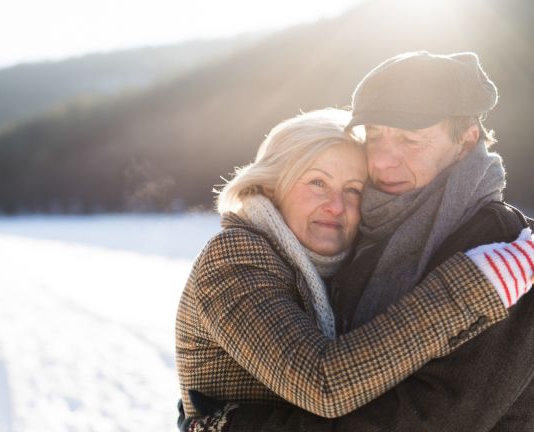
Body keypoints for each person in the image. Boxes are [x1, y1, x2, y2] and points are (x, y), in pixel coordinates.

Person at [175, 106, 534, 430]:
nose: (336, 205)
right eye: (318, 182)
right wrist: (478, 283)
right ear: (270, 187)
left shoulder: (333, 271)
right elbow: (322, 383)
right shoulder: (234, 258)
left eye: (353, 189)